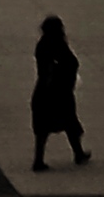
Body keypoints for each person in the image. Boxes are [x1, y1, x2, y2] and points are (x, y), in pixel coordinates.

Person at [31, 16, 90, 173]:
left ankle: (39, 160)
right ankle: (78, 153)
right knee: (69, 121)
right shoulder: (57, 45)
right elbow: (69, 63)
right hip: (58, 92)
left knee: (42, 128)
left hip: (43, 92)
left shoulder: (42, 45)